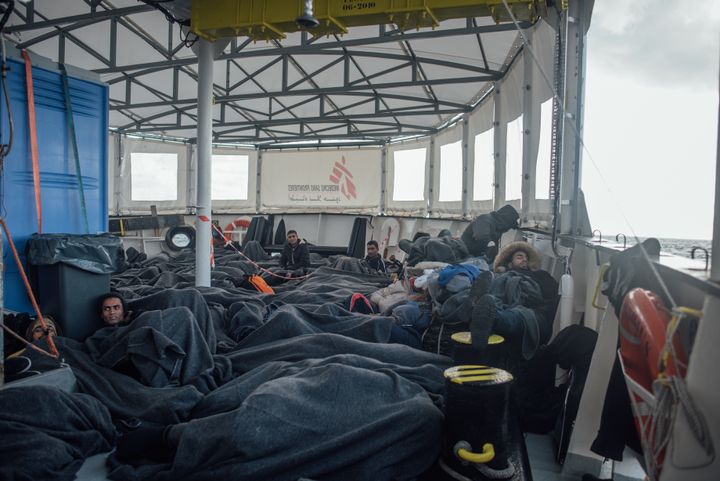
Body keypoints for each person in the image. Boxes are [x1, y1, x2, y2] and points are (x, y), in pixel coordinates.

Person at [469, 241, 558, 356]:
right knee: (492, 296)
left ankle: (490, 316)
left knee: (514, 315)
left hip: (531, 309)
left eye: (526, 258)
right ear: (510, 264)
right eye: (519, 257)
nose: (525, 260)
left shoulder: (541, 275)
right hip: (500, 302)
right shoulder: (502, 275)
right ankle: (478, 306)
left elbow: (551, 294)